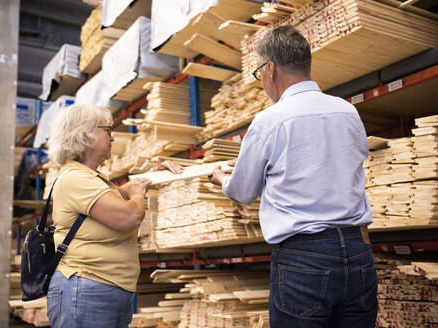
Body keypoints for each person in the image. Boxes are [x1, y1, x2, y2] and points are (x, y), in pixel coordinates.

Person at [210, 26, 377, 327]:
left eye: (258, 71)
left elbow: (243, 191)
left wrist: (221, 178)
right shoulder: (347, 111)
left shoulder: (269, 121)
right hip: (358, 251)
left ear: (270, 69)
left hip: (305, 258)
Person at [46, 104, 183, 328]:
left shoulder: (92, 178)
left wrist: (152, 176)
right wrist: (137, 194)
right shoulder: (76, 179)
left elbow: (124, 192)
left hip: (101, 288)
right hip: (87, 289)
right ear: (85, 136)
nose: (112, 138)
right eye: (107, 131)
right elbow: (129, 216)